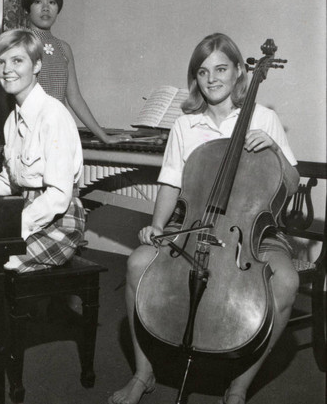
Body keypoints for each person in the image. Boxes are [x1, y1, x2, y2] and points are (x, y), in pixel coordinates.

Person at [108, 33, 300, 404]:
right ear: (195, 79)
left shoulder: (264, 117)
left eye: (221, 69)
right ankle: (143, 374)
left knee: (287, 283)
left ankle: (239, 386)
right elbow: (169, 182)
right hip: (194, 226)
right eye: (202, 71)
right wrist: (159, 227)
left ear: (239, 72)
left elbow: (289, 185)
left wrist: (275, 148)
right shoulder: (186, 125)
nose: (212, 79)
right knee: (136, 264)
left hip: (253, 234)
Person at [0, 28, 86, 273]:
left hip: (59, 223)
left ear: (37, 65)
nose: (7, 70)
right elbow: (9, 181)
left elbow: (59, 197)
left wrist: (8, 227)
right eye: (0, 62)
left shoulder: (53, 115)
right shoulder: (12, 121)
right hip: (27, 213)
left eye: (17, 60)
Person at [20, 0, 129, 145]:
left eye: (52, 2)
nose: (46, 8)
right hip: (30, 132)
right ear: (28, 8)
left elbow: (75, 97)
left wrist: (103, 136)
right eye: (38, 2)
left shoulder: (64, 48)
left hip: (60, 130)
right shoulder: (20, 44)